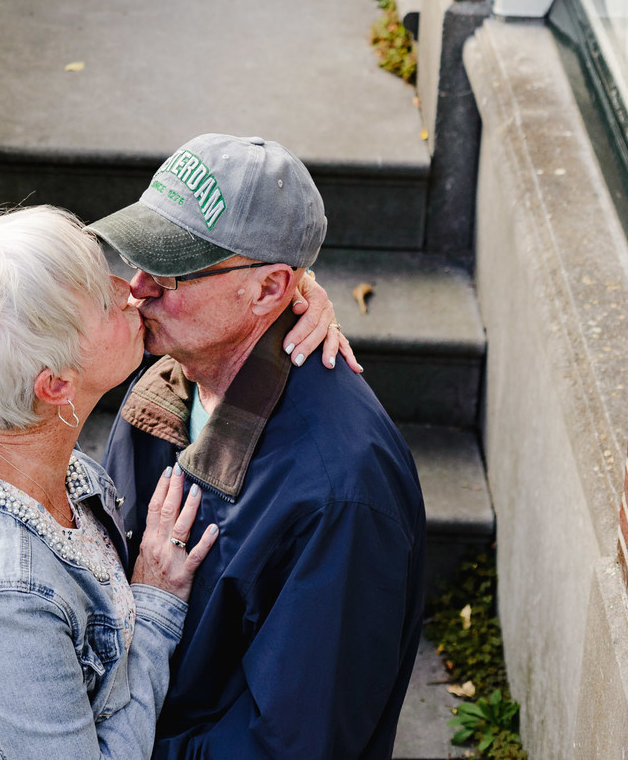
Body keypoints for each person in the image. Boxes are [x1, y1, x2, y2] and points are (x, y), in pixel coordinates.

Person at [0, 210, 350, 760]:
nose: (130, 288)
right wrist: (156, 606)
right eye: (101, 300)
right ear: (57, 382)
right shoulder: (3, 603)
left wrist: (279, 296)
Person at [90, 135, 427, 760]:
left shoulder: (342, 493)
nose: (138, 287)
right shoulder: (169, 377)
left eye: (170, 267)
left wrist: (101, 744)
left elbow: (292, 744)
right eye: (138, 254)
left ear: (272, 290)